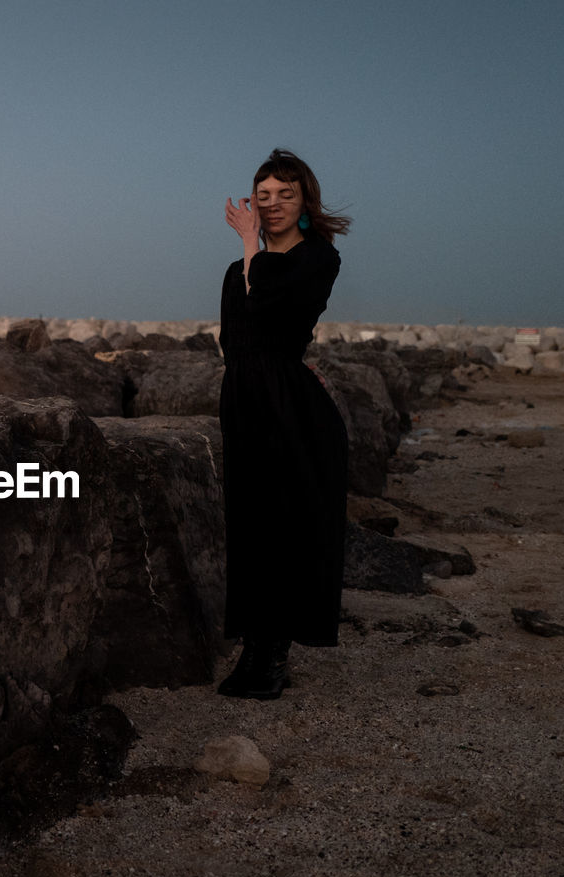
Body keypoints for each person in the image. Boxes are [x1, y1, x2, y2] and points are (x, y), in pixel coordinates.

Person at [216, 148, 351, 700]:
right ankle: (255, 647)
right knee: (249, 526)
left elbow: (273, 308)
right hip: (244, 399)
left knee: (286, 526)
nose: (270, 205)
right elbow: (236, 338)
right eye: (262, 195)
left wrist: (250, 244)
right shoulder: (235, 270)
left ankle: (272, 655)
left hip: (292, 407)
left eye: (284, 195)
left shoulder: (319, 258)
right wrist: (247, 255)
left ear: (304, 203)